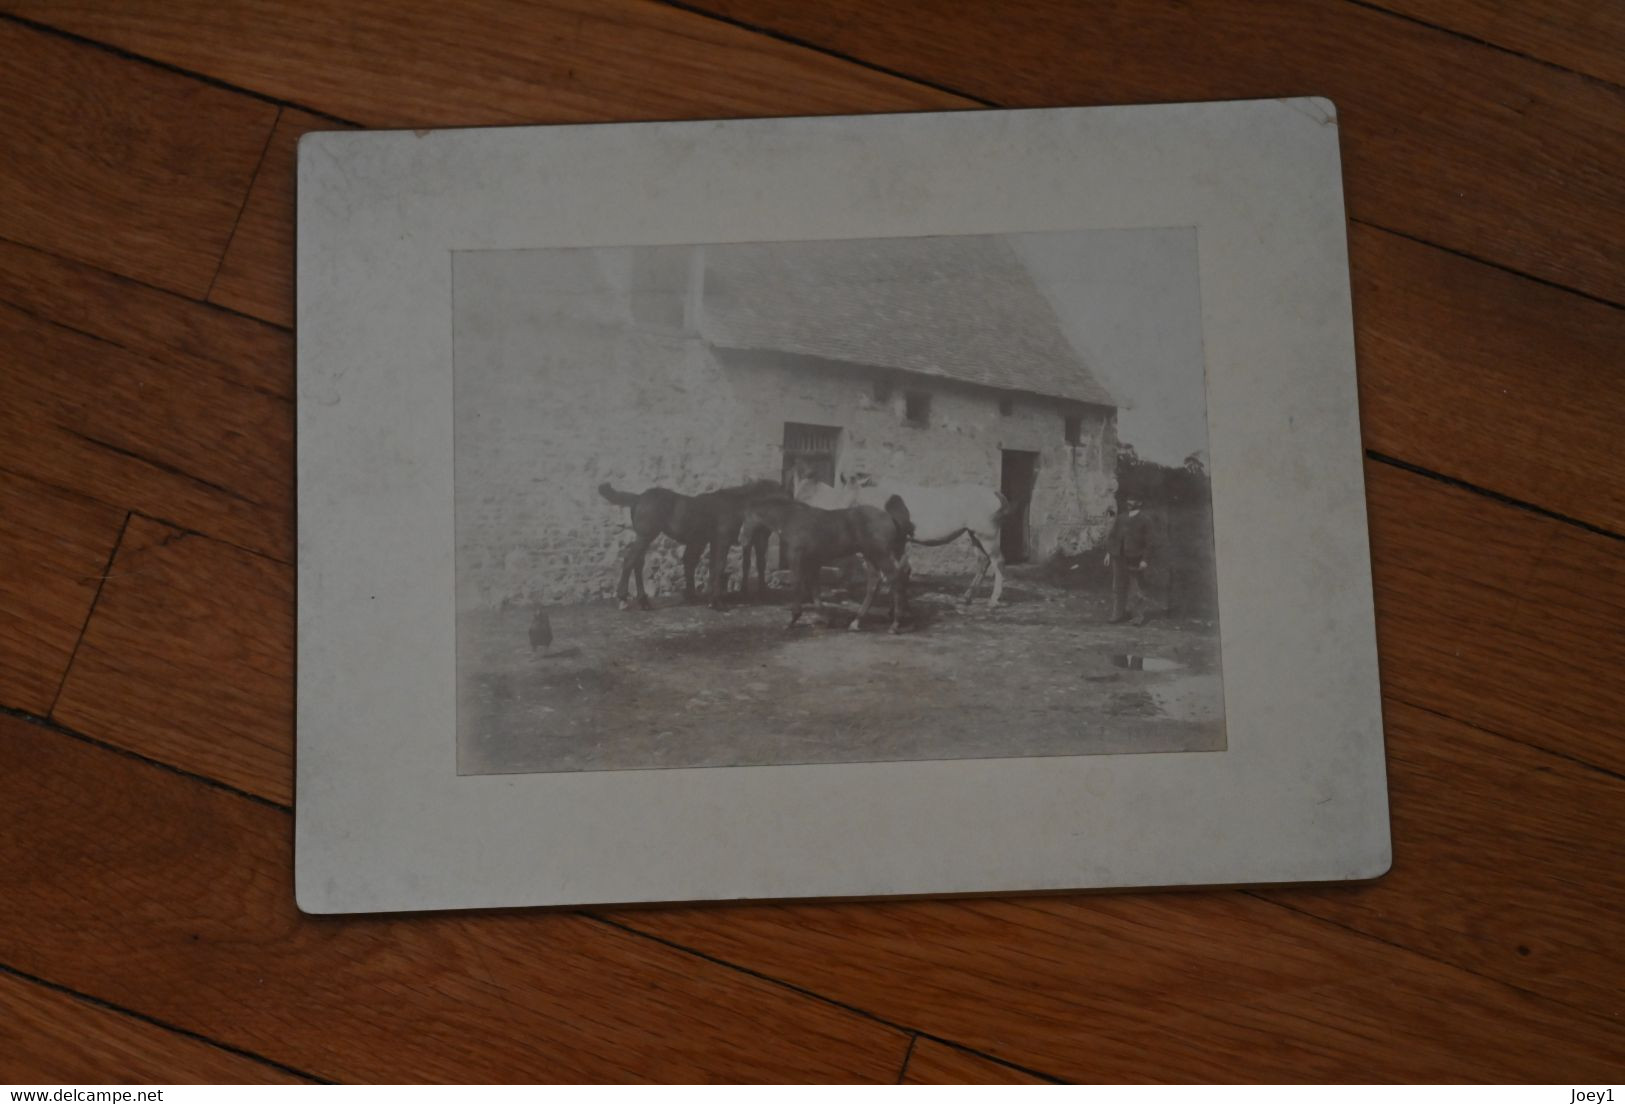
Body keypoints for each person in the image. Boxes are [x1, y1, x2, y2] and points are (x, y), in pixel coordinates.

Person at [1104, 496, 1159, 625]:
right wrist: (1108, 553)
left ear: (1140, 502)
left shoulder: (1145, 520)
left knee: (1136, 588)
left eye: (1133, 500)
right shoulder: (1122, 517)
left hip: (1135, 557)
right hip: (1118, 556)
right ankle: (1118, 614)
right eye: (1128, 499)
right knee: (1118, 586)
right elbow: (1113, 537)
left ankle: (1138, 617)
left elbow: (1150, 543)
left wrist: (1145, 560)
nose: (1129, 502)